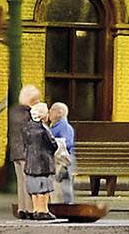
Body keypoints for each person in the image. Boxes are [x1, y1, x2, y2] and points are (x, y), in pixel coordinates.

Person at [7, 85, 42, 218]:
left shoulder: (14, 112)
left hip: (16, 151)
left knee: (21, 181)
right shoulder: (29, 114)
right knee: (30, 181)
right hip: (28, 152)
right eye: (36, 99)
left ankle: (22, 208)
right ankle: (31, 209)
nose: (38, 102)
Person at [17, 102, 56, 220]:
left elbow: (25, 143)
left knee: (33, 187)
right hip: (43, 162)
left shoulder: (25, 128)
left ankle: (35, 209)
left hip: (30, 161)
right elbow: (53, 144)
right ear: (43, 115)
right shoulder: (43, 129)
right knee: (44, 187)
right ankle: (43, 210)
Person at [45, 100, 77, 208]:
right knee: (58, 187)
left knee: (63, 187)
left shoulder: (63, 126)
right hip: (57, 161)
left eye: (51, 110)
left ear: (60, 113)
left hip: (62, 162)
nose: (49, 112)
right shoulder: (55, 126)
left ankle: (65, 208)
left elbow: (66, 143)